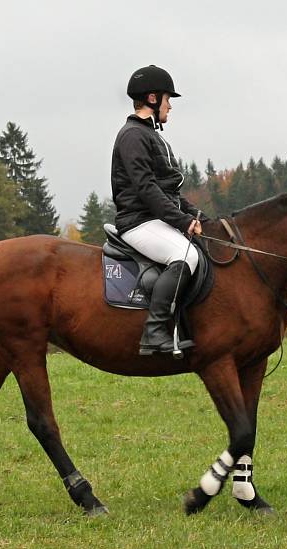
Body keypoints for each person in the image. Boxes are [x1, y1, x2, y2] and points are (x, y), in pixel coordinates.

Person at [111, 65, 211, 355]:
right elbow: (146, 189)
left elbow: (170, 193)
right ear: (153, 99)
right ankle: (154, 332)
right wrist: (182, 221)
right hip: (138, 221)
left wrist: (199, 217)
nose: (170, 107)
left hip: (155, 219)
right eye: (168, 100)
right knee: (184, 255)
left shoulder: (151, 135)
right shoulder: (133, 135)